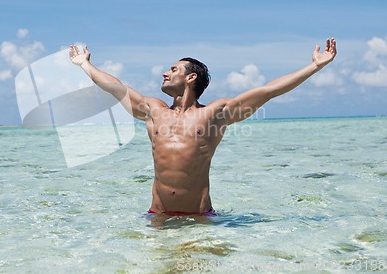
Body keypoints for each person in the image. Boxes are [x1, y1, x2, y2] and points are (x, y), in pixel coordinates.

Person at [69, 38, 337, 216]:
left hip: (200, 218)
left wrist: (314, 66)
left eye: (173, 69)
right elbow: (114, 87)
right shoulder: (154, 110)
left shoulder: (214, 114)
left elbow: (267, 91)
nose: (165, 73)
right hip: (158, 216)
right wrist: (85, 65)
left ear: (190, 77)